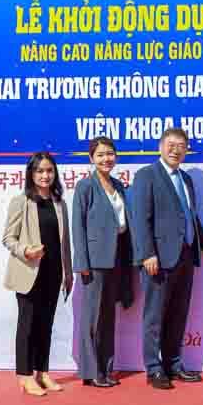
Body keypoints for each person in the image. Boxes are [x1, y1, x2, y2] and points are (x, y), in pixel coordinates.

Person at [133, 127, 203, 390]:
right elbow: (139, 218)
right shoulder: (146, 175)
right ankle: (154, 369)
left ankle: (173, 364)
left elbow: (191, 217)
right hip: (158, 259)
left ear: (186, 151)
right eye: (171, 144)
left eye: (181, 146)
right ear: (160, 146)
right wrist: (147, 253)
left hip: (186, 256)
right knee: (154, 316)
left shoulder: (186, 179)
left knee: (178, 314)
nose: (176, 150)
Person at [2, 152, 73, 396]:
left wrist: (68, 272)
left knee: (46, 325)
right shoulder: (21, 202)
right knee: (28, 325)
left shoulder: (59, 203)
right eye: (40, 171)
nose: (45, 175)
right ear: (31, 174)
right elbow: (8, 238)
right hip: (28, 272)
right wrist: (26, 251)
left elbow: (65, 243)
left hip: (53, 272)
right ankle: (25, 376)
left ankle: (42, 372)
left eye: (49, 170)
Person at [72, 136, 135, 389]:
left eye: (110, 154)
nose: (106, 159)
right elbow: (78, 226)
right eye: (100, 155)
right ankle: (90, 371)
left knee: (108, 318)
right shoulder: (85, 186)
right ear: (91, 158)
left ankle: (105, 369)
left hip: (117, 257)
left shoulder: (119, 186)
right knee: (91, 318)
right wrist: (82, 262)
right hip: (94, 260)